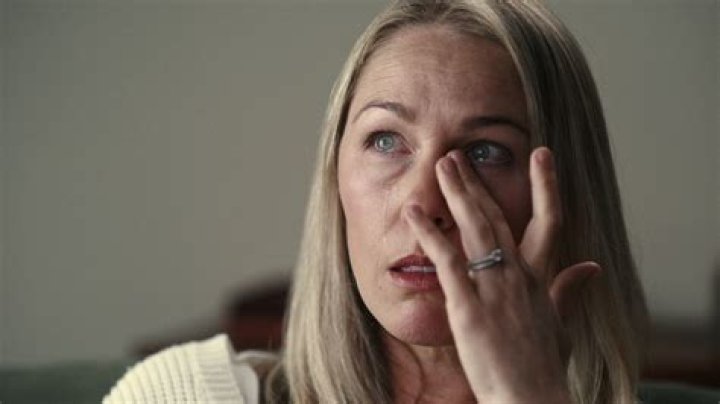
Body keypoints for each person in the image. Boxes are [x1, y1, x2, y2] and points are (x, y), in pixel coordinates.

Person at [104, 0, 648, 403]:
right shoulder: (183, 394)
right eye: (386, 141)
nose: (424, 203)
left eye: (485, 152)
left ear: (566, 195)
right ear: (335, 176)